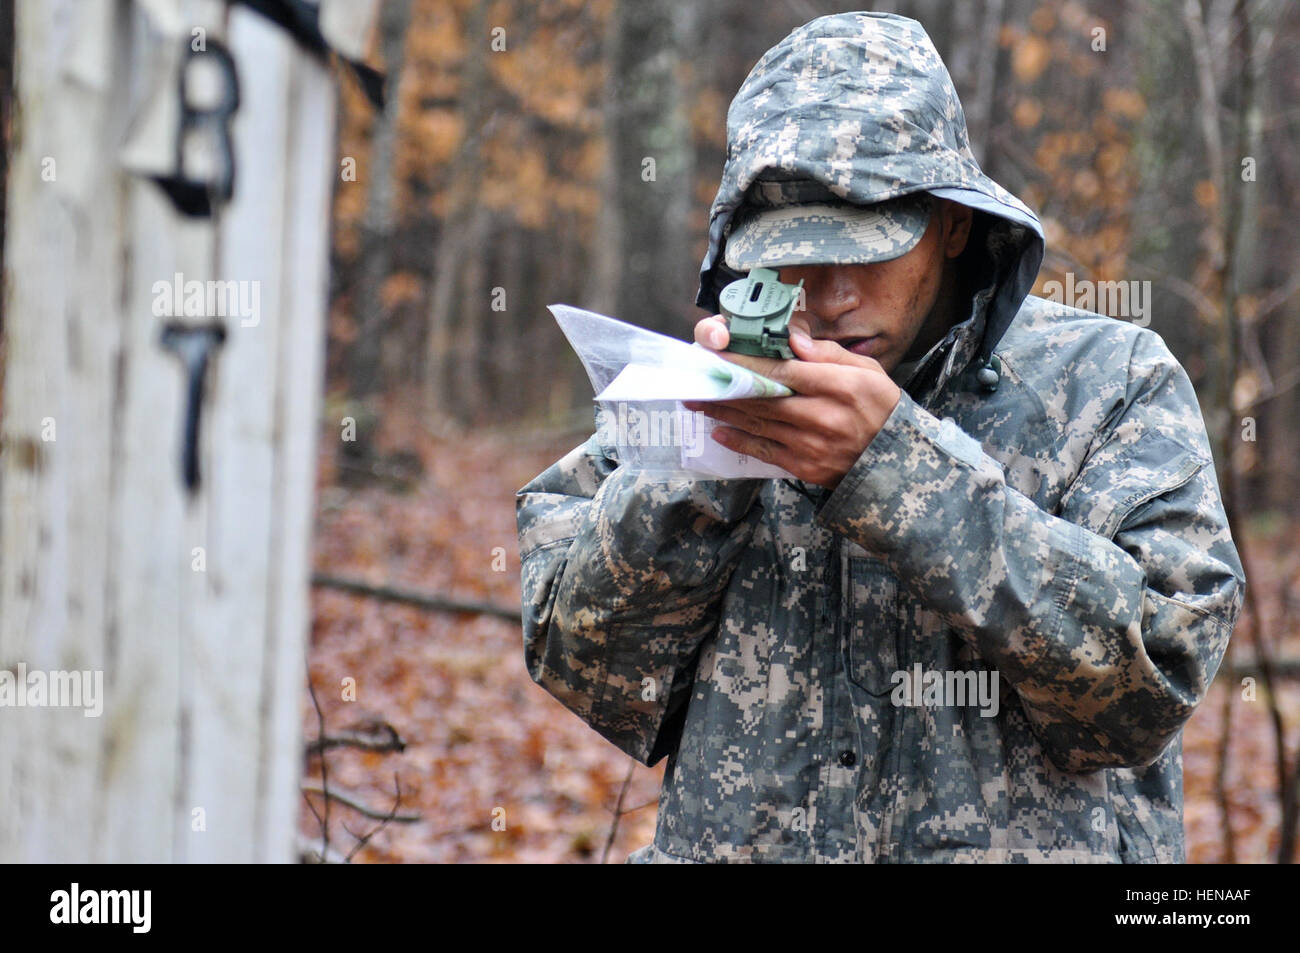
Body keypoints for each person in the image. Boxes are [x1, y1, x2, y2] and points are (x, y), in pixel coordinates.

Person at [516, 11, 1243, 862]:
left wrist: (897, 472)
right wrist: (705, 455)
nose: (826, 296)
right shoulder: (698, 392)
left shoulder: (1110, 382)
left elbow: (1154, 682)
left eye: (864, 250)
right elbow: (584, 662)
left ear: (953, 223)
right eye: (786, 255)